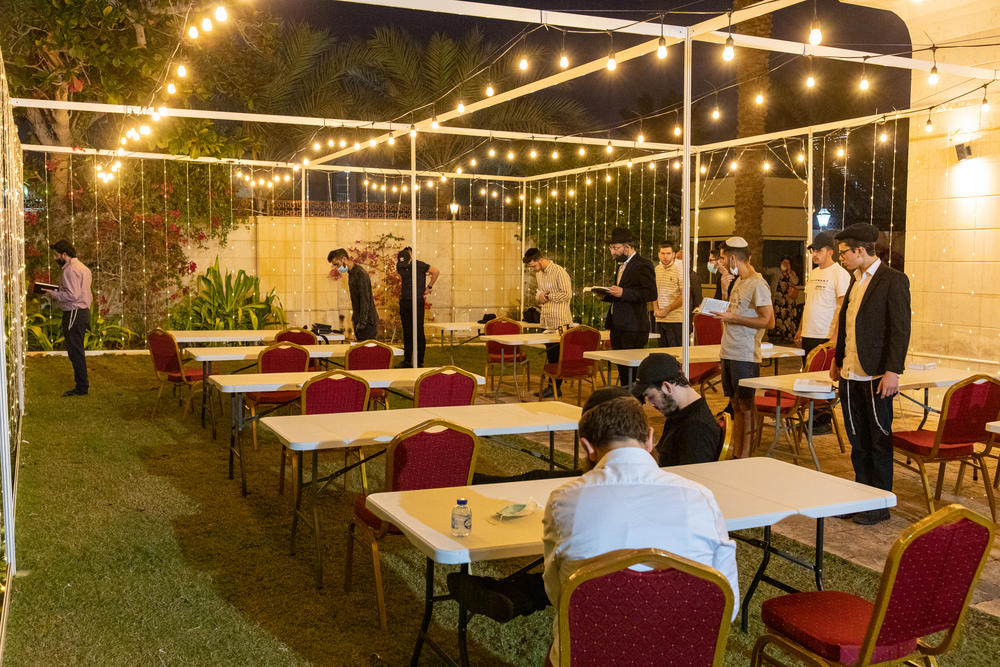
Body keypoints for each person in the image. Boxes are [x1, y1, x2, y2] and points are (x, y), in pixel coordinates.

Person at [542, 394, 739, 665]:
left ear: (587, 446)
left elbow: (559, 593)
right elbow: (727, 603)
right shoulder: (700, 498)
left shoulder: (564, 500)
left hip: (591, 654)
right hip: (682, 655)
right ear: (649, 438)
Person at [831, 223, 910, 525]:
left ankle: (879, 504)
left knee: (878, 439)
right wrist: (837, 359)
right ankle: (860, 497)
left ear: (860, 251)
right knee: (857, 439)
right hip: (850, 372)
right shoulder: (855, 280)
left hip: (877, 374)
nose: (842, 258)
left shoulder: (893, 280)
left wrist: (893, 370)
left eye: (844, 253)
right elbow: (848, 323)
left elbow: (900, 330)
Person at [714, 237, 774, 459]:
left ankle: (745, 456)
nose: (721, 263)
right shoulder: (738, 280)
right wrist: (723, 292)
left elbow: (768, 321)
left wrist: (735, 318)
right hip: (728, 349)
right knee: (734, 404)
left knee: (746, 406)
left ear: (732, 258)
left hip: (745, 353)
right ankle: (736, 453)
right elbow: (732, 310)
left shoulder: (758, 283)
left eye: (722, 258)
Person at [631, 353, 722, 465]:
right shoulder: (679, 413)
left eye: (651, 396)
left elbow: (689, 478)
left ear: (667, 387)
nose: (651, 404)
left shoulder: (696, 429)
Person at [601, 227, 657, 385]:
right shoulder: (620, 266)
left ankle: (635, 402)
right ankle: (626, 400)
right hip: (617, 325)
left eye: (615, 248)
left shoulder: (643, 264)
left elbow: (651, 293)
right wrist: (607, 294)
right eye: (611, 248)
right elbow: (620, 291)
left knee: (633, 371)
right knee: (622, 369)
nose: (612, 252)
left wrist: (624, 293)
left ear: (627, 246)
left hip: (633, 327)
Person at [42, 240, 92, 396]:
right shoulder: (83, 268)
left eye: (56, 255)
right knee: (77, 350)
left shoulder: (69, 270)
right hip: (82, 312)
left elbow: (72, 295)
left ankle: (81, 388)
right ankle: (82, 385)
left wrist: (53, 294)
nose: (55, 258)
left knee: (75, 351)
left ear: (65, 254)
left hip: (74, 313)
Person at [523, 248, 574, 398]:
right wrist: (540, 296)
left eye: (532, 266)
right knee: (551, 355)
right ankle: (552, 387)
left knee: (558, 356)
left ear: (539, 259)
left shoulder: (559, 271)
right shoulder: (539, 274)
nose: (532, 269)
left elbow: (567, 294)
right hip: (546, 319)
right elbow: (540, 294)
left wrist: (549, 295)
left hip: (560, 320)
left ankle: (555, 388)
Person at [795, 231, 851, 357]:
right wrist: (800, 330)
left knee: (822, 373)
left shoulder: (839, 273)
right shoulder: (813, 273)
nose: (814, 254)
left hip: (826, 335)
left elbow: (843, 307)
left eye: (819, 251)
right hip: (808, 334)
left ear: (830, 252)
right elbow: (808, 304)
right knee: (808, 371)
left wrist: (836, 335)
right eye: (813, 251)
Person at [395, 247, 439, 368]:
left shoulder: (420, 265)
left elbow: (436, 271)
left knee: (418, 330)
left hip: (417, 301)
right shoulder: (400, 266)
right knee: (407, 331)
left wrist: (428, 287)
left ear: (411, 255)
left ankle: (419, 361)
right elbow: (400, 279)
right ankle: (407, 360)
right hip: (405, 301)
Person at [328, 248, 378, 341]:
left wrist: (361, 323)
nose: (336, 267)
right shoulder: (351, 273)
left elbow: (365, 299)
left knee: (368, 353)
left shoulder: (360, 274)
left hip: (367, 322)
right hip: (359, 321)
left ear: (343, 259)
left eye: (336, 264)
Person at [653, 240, 684, 347]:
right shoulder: (657, 269)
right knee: (662, 353)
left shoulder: (680, 270)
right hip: (659, 319)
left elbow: (685, 296)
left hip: (675, 319)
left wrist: (667, 309)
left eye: (668, 253)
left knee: (675, 355)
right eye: (662, 253)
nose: (665, 257)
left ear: (674, 254)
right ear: (658, 254)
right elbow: (654, 292)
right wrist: (656, 309)